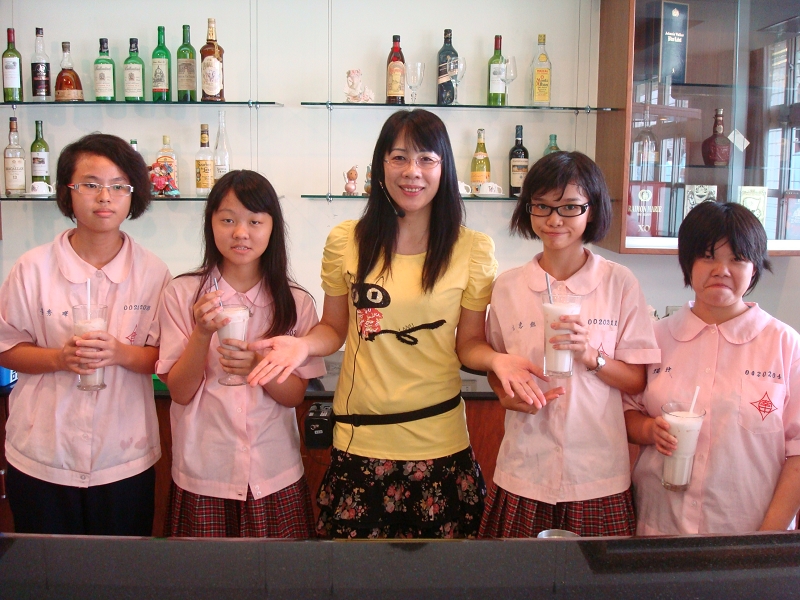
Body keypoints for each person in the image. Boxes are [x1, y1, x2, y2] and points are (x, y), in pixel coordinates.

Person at [247, 109, 547, 539]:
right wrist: (302, 346)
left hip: (440, 440)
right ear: (381, 165)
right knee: (356, 575)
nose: (412, 172)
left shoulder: (472, 250)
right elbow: (333, 328)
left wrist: (497, 360)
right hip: (360, 440)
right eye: (399, 157)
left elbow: (469, 344)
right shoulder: (347, 241)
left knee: (438, 576)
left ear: (444, 167)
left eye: (426, 159)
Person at [479, 151, 660, 538]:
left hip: (596, 474)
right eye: (542, 206)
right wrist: (504, 394)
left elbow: (637, 380)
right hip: (525, 468)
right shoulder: (508, 287)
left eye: (569, 207)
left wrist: (590, 355)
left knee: (596, 575)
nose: (554, 219)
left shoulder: (619, 283)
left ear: (591, 211)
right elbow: (497, 363)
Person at [0, 133, 170, 535]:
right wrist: (59, 358)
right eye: (91, 184)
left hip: (123, 458)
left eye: (118, 186)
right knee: (46, 568)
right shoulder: (32, 269)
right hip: (42, 455)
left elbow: (165, 356)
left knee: (120, 567)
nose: (104, 197)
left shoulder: (153, 272)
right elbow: (7, 348)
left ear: (134, 195)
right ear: (68, 192)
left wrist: (120, 353)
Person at [156, 170, 326, 538]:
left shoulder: (296, 302)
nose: (241, 233)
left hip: (273, 471)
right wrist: (202, 332)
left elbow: (294, 396)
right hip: (205, 471)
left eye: (254, 221)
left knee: (279, 573)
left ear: (272, 227)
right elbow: (180, 392)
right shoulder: (182, 294)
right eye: (228, 220)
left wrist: (258, 367)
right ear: (211, 223)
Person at [624, 201, 800, 534]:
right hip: (660, 525)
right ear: (687, 263)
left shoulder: (784, 344)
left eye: (737, 258)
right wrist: (649, 429)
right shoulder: (656, 338)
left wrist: (766, 540)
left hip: (747, 531)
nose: (722, 270)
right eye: (708, 256)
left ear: (754, 268)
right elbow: (626, 413)